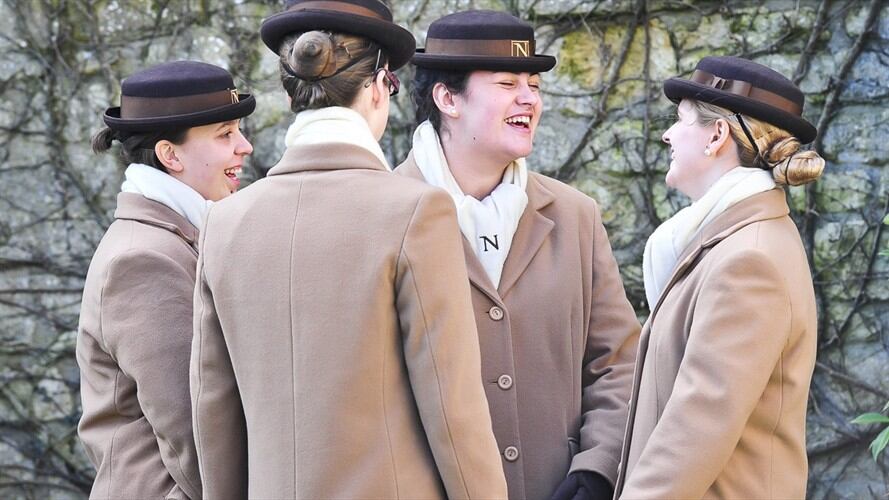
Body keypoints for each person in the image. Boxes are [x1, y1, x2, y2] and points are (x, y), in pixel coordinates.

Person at [189, 1, 507, 498]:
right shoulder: (416, 211)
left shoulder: (223, 223)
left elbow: (214, 411)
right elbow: (454, 408)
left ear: (294, 91)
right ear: (380, 84)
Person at [396, 10, 641, 500]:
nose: (530, 98)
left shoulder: (576, 216)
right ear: (448, 99)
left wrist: (596, 467)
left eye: (533, 83)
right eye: (509, 83)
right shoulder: (382, 216)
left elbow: (618, 363)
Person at [614, 55, 823, 499]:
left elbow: (697, 426)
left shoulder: (749, 262)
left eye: (680, 119)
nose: (668, 134)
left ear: (716, 136)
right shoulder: (732, 242)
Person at [77, 60, 255, 500]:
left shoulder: (178, 236)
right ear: (169, 155)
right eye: (225, 134)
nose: (245, 147)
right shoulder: (142, 259)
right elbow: (193, 432)